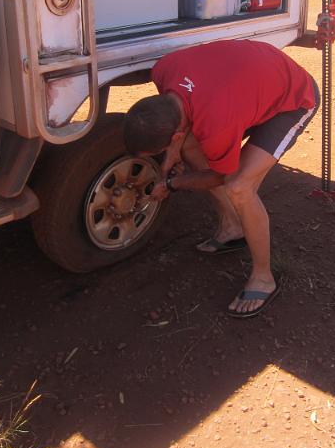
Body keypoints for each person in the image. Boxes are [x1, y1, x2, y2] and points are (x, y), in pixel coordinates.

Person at [123, 39, 319, 318]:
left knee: (239, 187)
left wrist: (171, 184)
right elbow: (181, 125)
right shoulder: (164, 70)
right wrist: (173, 154)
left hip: (293, 97)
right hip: (255, 84)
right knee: (193, 150)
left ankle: (264, 278)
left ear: (173, 136)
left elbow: (218, 176)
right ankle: (232, 228)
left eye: (164, 148)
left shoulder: (216, 122)